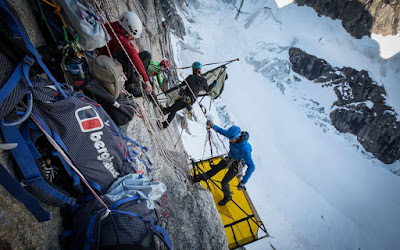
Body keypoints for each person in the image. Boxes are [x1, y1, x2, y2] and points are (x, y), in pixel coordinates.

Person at [193, 122, 255, 206]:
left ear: (238, 137)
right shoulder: (232, 135)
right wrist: (212, 126)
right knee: (216, 168)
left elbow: (251, 166)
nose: (230, 140)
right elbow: (222, 131)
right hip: (231, 157)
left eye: (231, 139)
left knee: (224, 182)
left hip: (238, 163)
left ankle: (227, 197)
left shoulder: (245, 149)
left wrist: (243, 182)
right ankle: (202, 177)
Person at [99, 12, 152, 97]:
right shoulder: (117, 35)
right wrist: (146, 80)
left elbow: (127, 45)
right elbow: (130, 52)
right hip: (109, 59)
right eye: (132, 36)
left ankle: (137, 79)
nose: (133, 38)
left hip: (116, 56)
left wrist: (135, 49)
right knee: (129, 55)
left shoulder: (118, 27)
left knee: (146, 55)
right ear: (126, 30)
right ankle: (130, 85)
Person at [160, 61, 215, 129]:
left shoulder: (190, 77)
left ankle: (165, 124)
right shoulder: (203, 80)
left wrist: (170, 91)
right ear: (200, 70)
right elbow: (208, 90)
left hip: (185, 97)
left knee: (174, 109)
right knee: (175, 106)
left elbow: (182, 85)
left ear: (193, 69)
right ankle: (166, 111)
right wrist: (213, 84)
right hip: (191, 100)